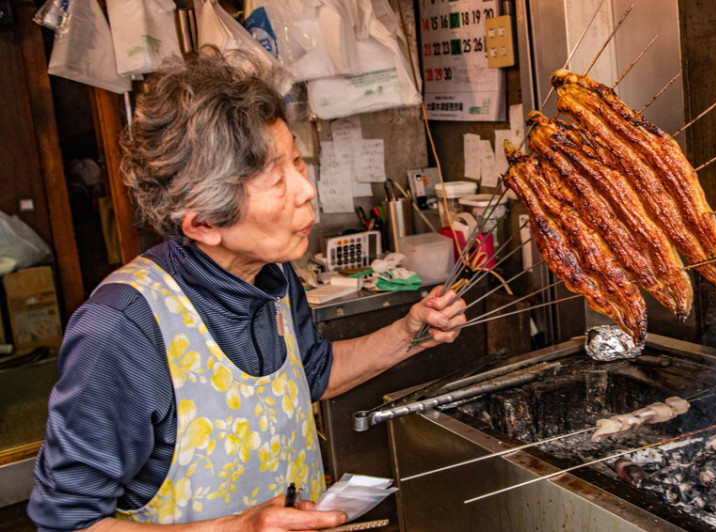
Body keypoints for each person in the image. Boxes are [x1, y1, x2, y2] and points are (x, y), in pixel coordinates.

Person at [27, 47, 466, 531]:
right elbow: (66, 522)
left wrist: (408, 333)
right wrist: (236, 528)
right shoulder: (121, 329)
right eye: (277, 179)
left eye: (297, 161)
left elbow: (311, 374)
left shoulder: (272, 276)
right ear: (204, 222)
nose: (306, 188)